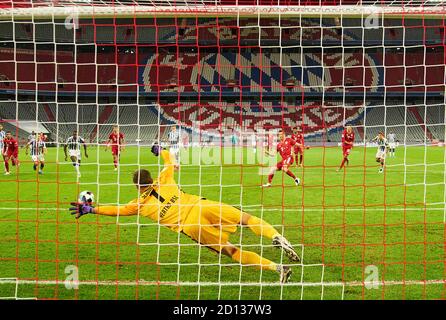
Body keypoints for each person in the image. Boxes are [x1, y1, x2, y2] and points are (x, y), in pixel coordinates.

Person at [69, 145, 299, 283]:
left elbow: (116, 211)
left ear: (137, 186)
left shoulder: (137, 204)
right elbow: (170, 159)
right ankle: (277, 237)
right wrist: (160, 150)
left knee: (231, 250)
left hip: (190, 226)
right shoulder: (165, 178)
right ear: (151, 179)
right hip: (201, 205)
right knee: (246, 218)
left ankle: (277, 268)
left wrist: (92, 209)